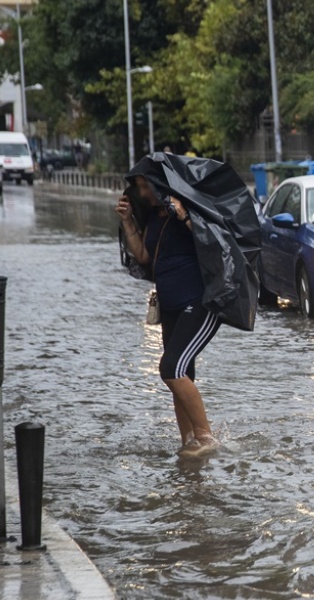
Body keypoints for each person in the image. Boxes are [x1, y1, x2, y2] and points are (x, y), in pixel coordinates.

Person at [116, 176, 221, 458]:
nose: (140, 192)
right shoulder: (154, 217)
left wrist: (184, 214)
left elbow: (212, 243)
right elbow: (143, 256)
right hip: (171, 308)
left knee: (171, 368)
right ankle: (188, 441)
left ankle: (206, 438)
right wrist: (128, 221)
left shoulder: (187, 209)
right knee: (181, 374)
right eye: (137, 186)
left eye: (143, 185)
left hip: (198, 305)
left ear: (159, 184)